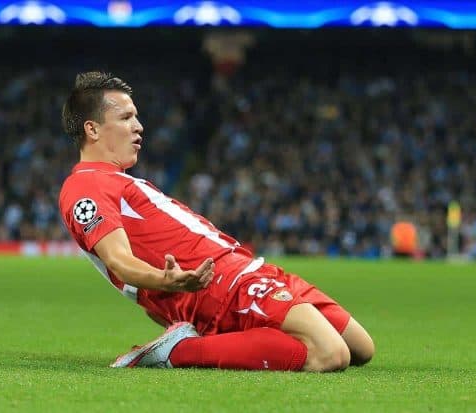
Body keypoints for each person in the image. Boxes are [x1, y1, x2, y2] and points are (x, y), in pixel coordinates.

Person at [58, 72, 374, 372]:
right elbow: (119, 261)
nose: (139, 126)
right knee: (330, 354)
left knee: (361, 347)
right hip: (221, 284)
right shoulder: (86, 187)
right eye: (126, 118)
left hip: (245, 269)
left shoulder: (117, 180)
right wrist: (170, 284)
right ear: (93, 129)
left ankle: (213, 339)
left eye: (136, 116)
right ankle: (177, 351)